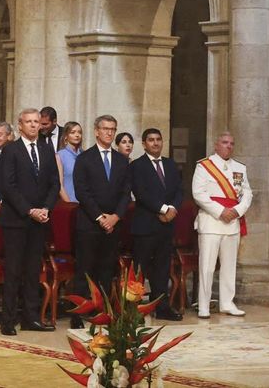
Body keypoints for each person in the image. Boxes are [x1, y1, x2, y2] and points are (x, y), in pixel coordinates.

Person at [0, 108, 60, 335]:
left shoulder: (46, 149)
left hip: (40, 220)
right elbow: (8, 185)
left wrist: (45, 208)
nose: (34, 125)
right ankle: (8, 321)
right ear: (20, 125)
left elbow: (54, 183)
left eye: (36, 122)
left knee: (34, 270)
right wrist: (29, 210)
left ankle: (31, 318)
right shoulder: (10, 150)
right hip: (16, 219)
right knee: (14, 271)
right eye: (29, 122)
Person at [71, 114, 131, 328]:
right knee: (85, 271)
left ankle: (103, 313)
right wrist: (99, 217)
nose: (109, 132)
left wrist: (115, 217)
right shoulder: (84, 158)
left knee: (107, 270)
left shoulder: (122, 161)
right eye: (105, 129)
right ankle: (78, 315)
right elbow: (82, 191)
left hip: (112, 225)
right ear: (96, 131)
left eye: (112, 129)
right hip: (89, 223)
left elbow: (126, 192)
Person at [191, 131, 252, 319]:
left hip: (232, 221)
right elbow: (198, 194)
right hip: (211, 222)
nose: (228, 146)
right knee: (207, 267)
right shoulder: (204, 166)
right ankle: (203, 305)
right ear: (216, 145)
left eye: (232, 143)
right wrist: (220, 211)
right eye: (225, 142)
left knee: (229, 266)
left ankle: (227, 303)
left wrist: (237, 211)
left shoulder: (239, 168)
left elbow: (247, 193)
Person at [129, 127, 184, 321]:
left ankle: (162, 307)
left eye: (158, 139)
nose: (155, 143)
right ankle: (133, 309)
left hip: (166, 226)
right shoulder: (137, 166)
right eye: (151, 140)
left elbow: (179, 190)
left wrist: (173, 209)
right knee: (139, 270)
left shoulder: (170, 165)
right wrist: (162, 209)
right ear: (144, 144)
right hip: (145, 225)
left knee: (162, 268)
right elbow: (141, 193)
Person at [56, 121, 82, 203]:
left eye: (79, 132)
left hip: (86, 204)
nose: (77, 135)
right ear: (66, 136)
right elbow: (59, 185)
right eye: (73, 132)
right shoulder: (60, 156)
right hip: (68, 203)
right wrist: (69, 204)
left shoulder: (84, 155)